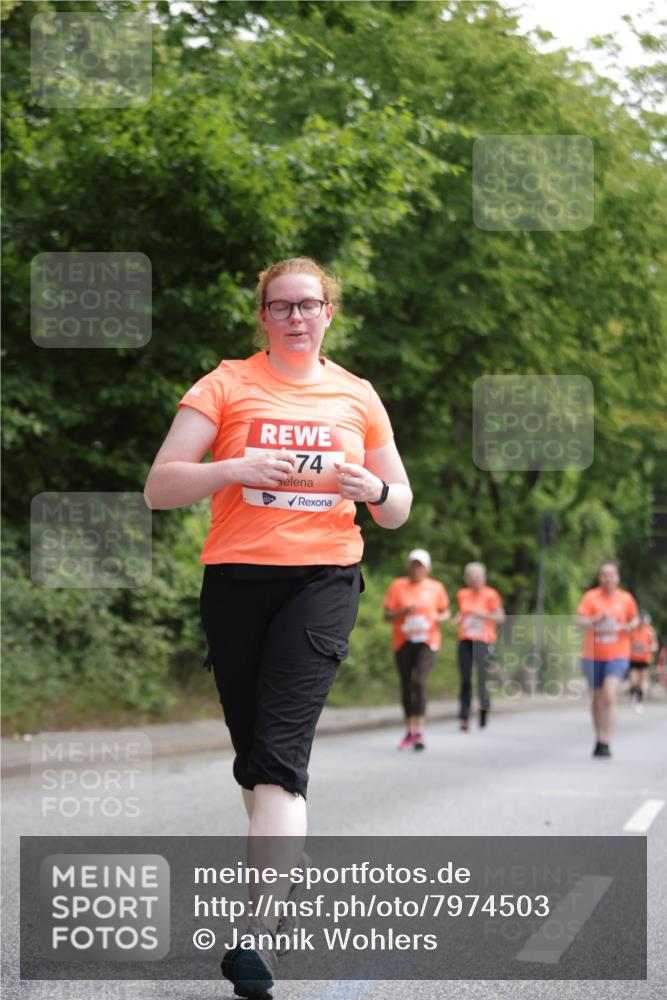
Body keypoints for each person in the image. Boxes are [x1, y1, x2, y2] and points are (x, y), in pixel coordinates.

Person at [143, 257, 412, 998]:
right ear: (262, 316)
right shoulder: (224, 384)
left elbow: (398, 507)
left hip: (322, 582)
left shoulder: (357, 395)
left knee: (279, 760)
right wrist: (231, 468)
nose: (296, 316)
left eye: (309, 305)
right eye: (281, 306)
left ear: (330, 312)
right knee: (255, 758)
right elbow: (160, 486)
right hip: (234, 583)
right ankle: (279, 891)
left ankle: (256, 936)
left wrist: (377, 488)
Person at [383, 549, 450, 751]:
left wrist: (441, 617)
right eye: (413, 564)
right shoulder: (397, 586)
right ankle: (409, 731)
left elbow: (445, 611)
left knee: (419, 681)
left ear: (427, 568)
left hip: (428, 641)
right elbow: (386, 616)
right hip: (403, 641)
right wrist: (404, 611)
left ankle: (419, 730)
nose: (416, 569)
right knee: (405, 684)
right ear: (408, 566)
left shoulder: (436, 587)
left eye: (420, 565)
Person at [576, 562, 639, 757]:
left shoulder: (626, 598)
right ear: (599, 578)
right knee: (596, 699)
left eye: (611, 575)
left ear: (617, 578)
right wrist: (597, 619)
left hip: (618, 653)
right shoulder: (590, 597)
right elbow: (579, 622)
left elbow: (635, 619)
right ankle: (599, 736)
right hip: (592, 655)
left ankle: (606, 740)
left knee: (610, 695)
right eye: (604, 575)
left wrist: (629, 626)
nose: (608, 578)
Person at [453, 562, 505, 731]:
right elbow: (462, 613)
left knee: (482, 678)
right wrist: (456, 619)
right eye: (472, 576)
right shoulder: (462, 594)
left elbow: (500, 617)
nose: (476, 579)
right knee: (466, 679)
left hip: (484, 640)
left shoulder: (491, 594)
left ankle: (484, 707)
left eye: (479, 576)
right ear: (467, 579)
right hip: (465, 639)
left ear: (483, 577)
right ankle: (464, 716)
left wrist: (481, 614)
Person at [627, 611, 658, 712]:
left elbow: (655, 646)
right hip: (633, 659)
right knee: (633, 681)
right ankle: (633, 697)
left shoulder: (650, 631)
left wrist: (647, 648)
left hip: (644, 660)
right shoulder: (632, 631)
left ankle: (639, 702)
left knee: (641, 682)